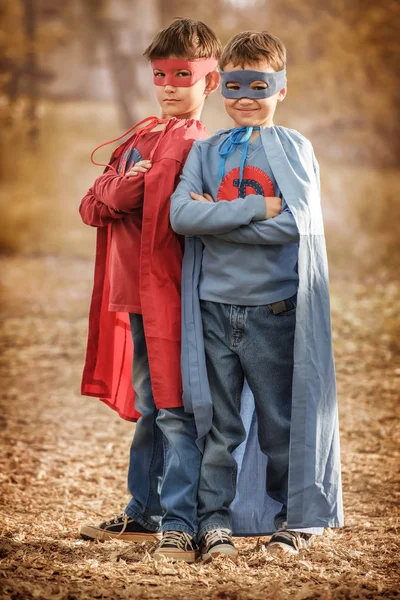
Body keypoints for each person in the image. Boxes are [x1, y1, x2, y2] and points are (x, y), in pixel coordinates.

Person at [170, 30, 343, 560]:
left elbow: (298, 225)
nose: (245, 98)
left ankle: (292, 518)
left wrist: (215, 222)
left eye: (259, 85)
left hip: (274, 310)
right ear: (221, 85)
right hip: (214, 311)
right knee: (217, 425)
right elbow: (181, 216)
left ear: (281, 88)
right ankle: (213, 521)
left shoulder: (294, 149)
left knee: (279, 423)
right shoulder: (205, 151)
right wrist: (253, 209)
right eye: (236, 85)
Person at [78, 18, 221, 563]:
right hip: (135, 293)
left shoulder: (192, 142)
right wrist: (120, 186)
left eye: (181, 75)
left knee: (173, 407)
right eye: (159, 74)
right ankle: (144, 511)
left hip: (171, 294)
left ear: (207, 82)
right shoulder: (144, 135)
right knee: (150, 405)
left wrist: (119, 186)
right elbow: (91, 205)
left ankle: (176, 520)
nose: (166, 85)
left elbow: (134, 197)